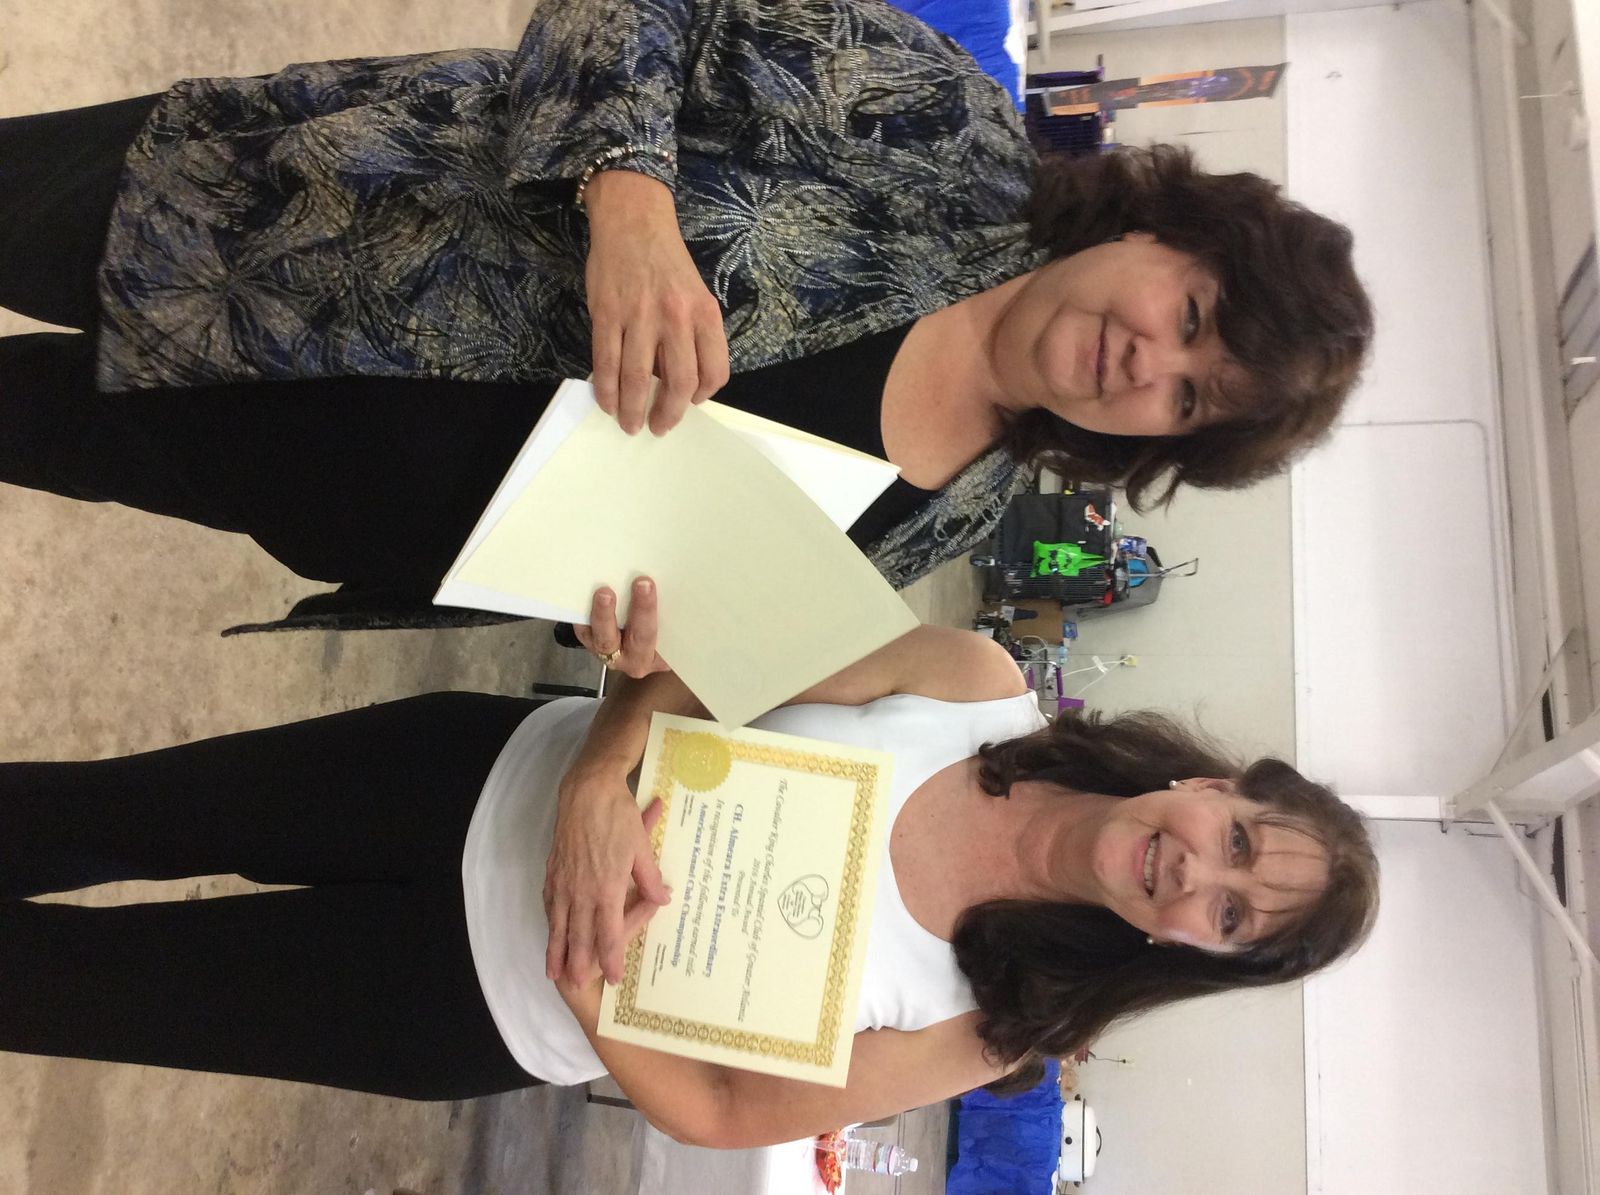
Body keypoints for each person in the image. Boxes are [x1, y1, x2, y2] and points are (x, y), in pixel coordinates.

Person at [0, 0, 1373, 637]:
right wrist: (631, 202)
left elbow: (676, 593)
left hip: (309, 484)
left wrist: (622, 640)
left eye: (1189, 398)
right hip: (276, 230)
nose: (1149, 362)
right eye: (1192, 314)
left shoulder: (955, 514)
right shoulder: (941, 131)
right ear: (1163, 230)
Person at [0, 585, 1378, 1138]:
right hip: (460, 777)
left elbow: (721, 1112)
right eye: (1237, 844)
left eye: (1232, 918)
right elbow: (720, 655)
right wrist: (600, 776)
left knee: (73, 988)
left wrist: (593, 995)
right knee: (89, 811)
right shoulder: (972, 685)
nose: (1197, 878)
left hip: (467, 1001)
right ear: (1213, 787)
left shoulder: (995, 1024)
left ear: (1195, 955)